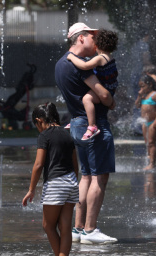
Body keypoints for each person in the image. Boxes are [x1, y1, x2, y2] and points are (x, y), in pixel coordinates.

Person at [55, 22, 117, 244]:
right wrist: (111, 101)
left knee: (86, 176)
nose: (96, 41)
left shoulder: (61, 64)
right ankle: (91, 230)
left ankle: (78, 228)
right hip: (94, 124)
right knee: (99, 176)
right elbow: (104, 96)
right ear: (81, 38)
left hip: (77, 123)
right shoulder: (80, 65)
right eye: (92, 37)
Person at [22, 103, 79, 256]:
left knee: (48, 225)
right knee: (65, 226)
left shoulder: (45, 135)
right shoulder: (68, 135)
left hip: (55, 183)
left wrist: (31, 189)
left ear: (39, 120)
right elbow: (76, 165)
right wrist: (74, 182)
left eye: (36, 125)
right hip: (71, 182)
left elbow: (39, 164)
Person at [66, 28, 118, 141]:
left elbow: (85, 66)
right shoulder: (110, 58)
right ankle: (80, 122)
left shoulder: (100, 58)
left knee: (86, 99)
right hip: (110, 89)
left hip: (104, 89)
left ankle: (91, 126)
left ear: (98, 45)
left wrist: (71, 57)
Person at [135, 75, 156, 170]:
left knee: (151, 142)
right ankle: (151, 160)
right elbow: (137, 106)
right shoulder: (144, 96)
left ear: (150, 85)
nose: (141, 88)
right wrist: (139, 96)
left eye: (143, 86)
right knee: (148, 143)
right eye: (140, 87)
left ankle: (153, 163)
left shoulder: (155, 95)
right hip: (145, 123)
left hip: (153, 122)